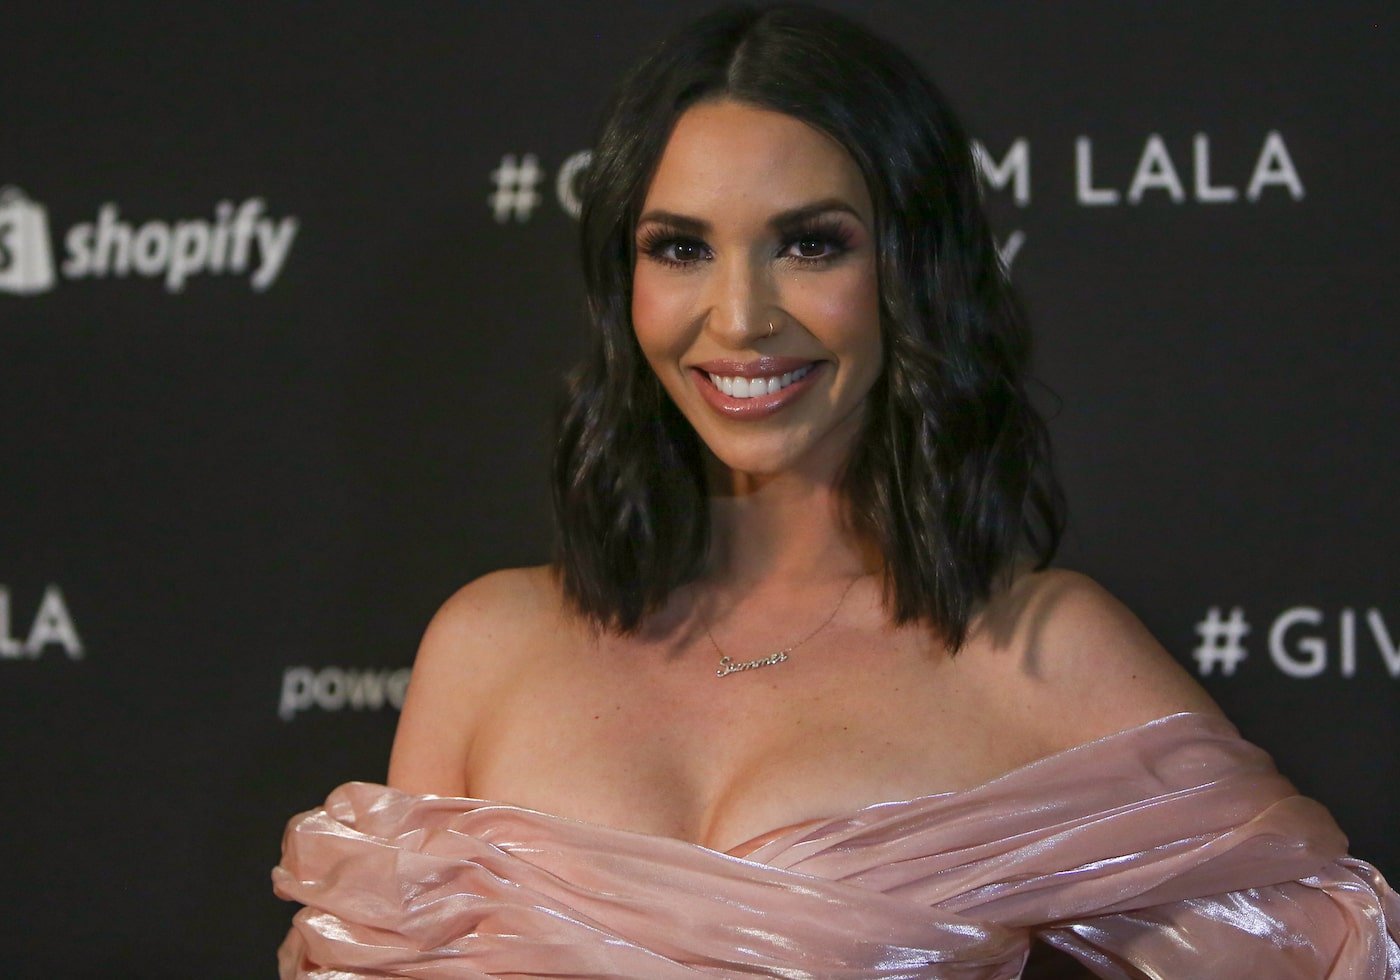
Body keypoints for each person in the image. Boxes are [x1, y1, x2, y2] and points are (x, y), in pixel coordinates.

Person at [272, 4, 1398, 977]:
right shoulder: (489, 644)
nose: (740, 315)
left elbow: (1321, 943)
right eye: (678, 249)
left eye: (808, 244)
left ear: (913, 267)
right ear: (623, 286)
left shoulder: (1039, 651)